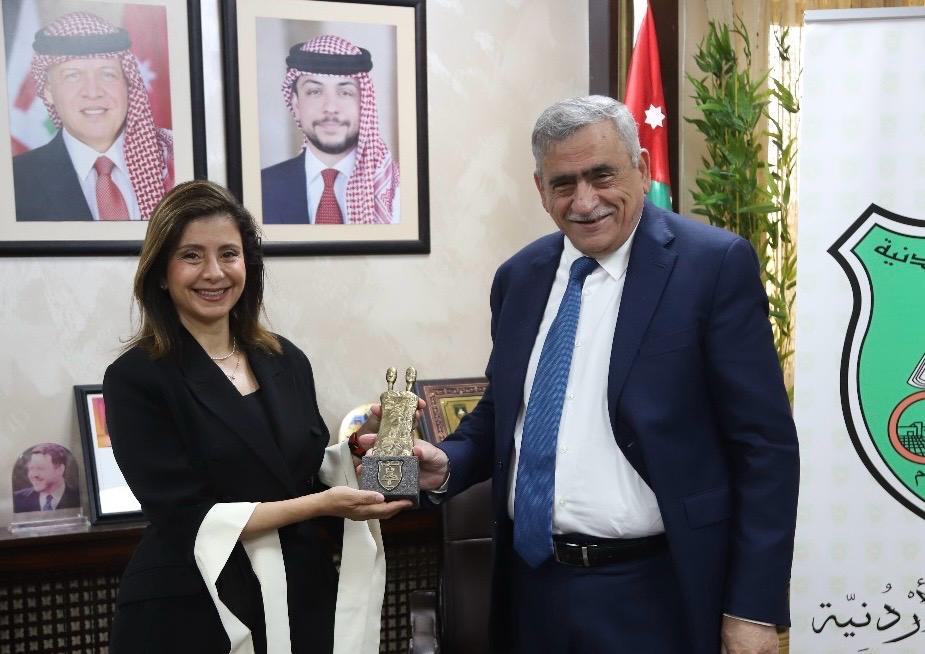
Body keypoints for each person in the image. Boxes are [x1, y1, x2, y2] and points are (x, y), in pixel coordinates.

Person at [371, 96, 800, 653]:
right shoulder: (519, 277)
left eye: (602, 176)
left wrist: (753, 610)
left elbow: (764, 447)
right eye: (563, 183)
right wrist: (447, 463)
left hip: (655, 592)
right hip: (532, 591)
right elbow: (505, 411)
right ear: (540, 188)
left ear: (642, 168)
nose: (585, 201)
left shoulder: (712, 266)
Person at [103, 180, 408, 653]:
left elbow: (299, 472)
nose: (214, 272)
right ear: (161, 273)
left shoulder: (286, 359)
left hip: (301, 596)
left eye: (229, 254)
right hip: (195, 607)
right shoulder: (135, 378)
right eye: (191, 256)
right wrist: (320, 506)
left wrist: (361, 442)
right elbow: (186, 516)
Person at [12, 11, 173, 222]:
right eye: (73, 75)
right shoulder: (15, 181)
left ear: (128, 84)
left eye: (107, 74)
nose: (93, 91)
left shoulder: (172, 161)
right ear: (48, 91)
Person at [261, 34, 399, 225]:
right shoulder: (262, 187)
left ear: (364, 104)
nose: (330, 107)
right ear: (296, 105)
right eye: (314, 92)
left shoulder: (397, 192)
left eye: (345, 92)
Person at [13, 443, 80, 512]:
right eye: (31, 468)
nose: (34, 475)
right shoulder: (17, 499)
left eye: (40, 468)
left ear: (60, 470)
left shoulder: (79, 497)